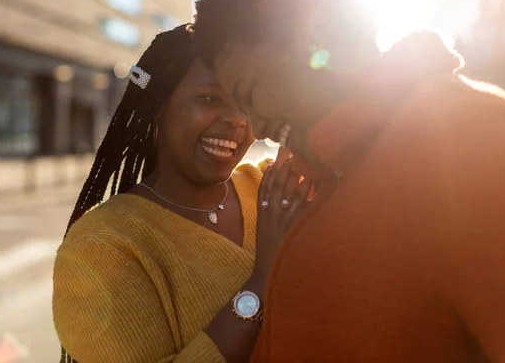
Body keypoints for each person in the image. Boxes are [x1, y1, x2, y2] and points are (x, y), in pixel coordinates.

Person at [193, 0, 505, 362]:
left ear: (314, 36)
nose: (257, 127)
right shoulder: (328, 176)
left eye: (250, 93)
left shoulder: (467, 138)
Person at [52, 25, 312, 363]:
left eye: (246, 101)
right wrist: (261, 282)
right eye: (211, 98)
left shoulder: (276, 188)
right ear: (158, 103)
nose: (237, 119)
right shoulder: (101, 245)